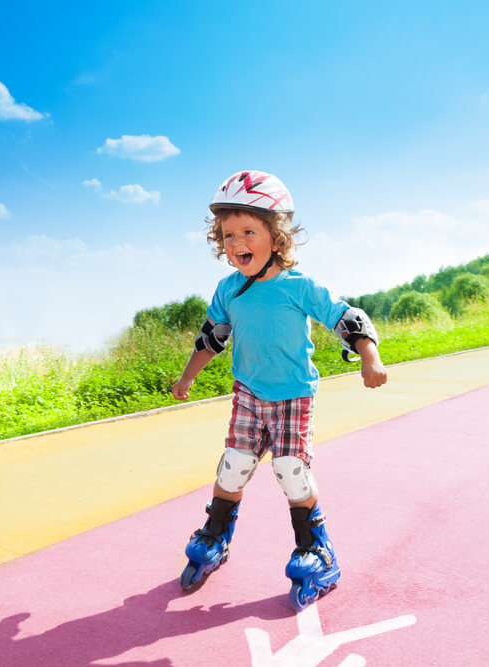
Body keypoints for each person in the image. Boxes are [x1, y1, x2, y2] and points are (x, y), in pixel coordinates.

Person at [172, 170, 387, 610]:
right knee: (233, 466)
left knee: (291, 470)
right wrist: (188, 376)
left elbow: (347, 318)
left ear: (277, 235)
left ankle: (317, 551)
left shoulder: (300, 286)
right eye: (228, 234)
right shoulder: (229, 289)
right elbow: (213, 336)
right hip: (249, 391)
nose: (237, 243)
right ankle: (215, 536)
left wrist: (370, 357)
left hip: (292, 393)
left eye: (248, 231)